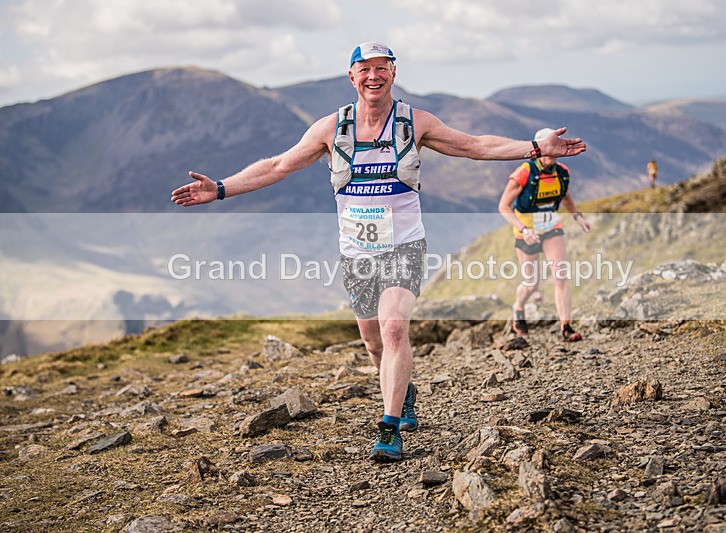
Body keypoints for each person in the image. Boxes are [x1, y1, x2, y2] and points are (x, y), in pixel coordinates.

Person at [171, 41, 586, 462]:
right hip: (357, 254)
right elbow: (278, 166)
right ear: (351, 76)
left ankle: (388, 429)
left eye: (382, 67)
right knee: (373, 342)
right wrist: (221, 188)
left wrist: (535, 149)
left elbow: (476, 145)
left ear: (393, 73)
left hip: (405, 246)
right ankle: (401, 391)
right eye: (364, 68)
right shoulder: (330, 129)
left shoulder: (416, 122)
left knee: (392, 329)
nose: (373, 75)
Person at [498, 127, 592, 342]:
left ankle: (566, 327)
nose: (551, 155)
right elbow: (503, 206)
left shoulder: (562, 172)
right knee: (531, 283)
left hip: (551, 226)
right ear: (538, 150)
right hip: (527, 231)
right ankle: (519, 308)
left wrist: (578, 217)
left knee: (561, 276)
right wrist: (523, 229)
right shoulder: (524, 172)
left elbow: (565, 196)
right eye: (546, 150)